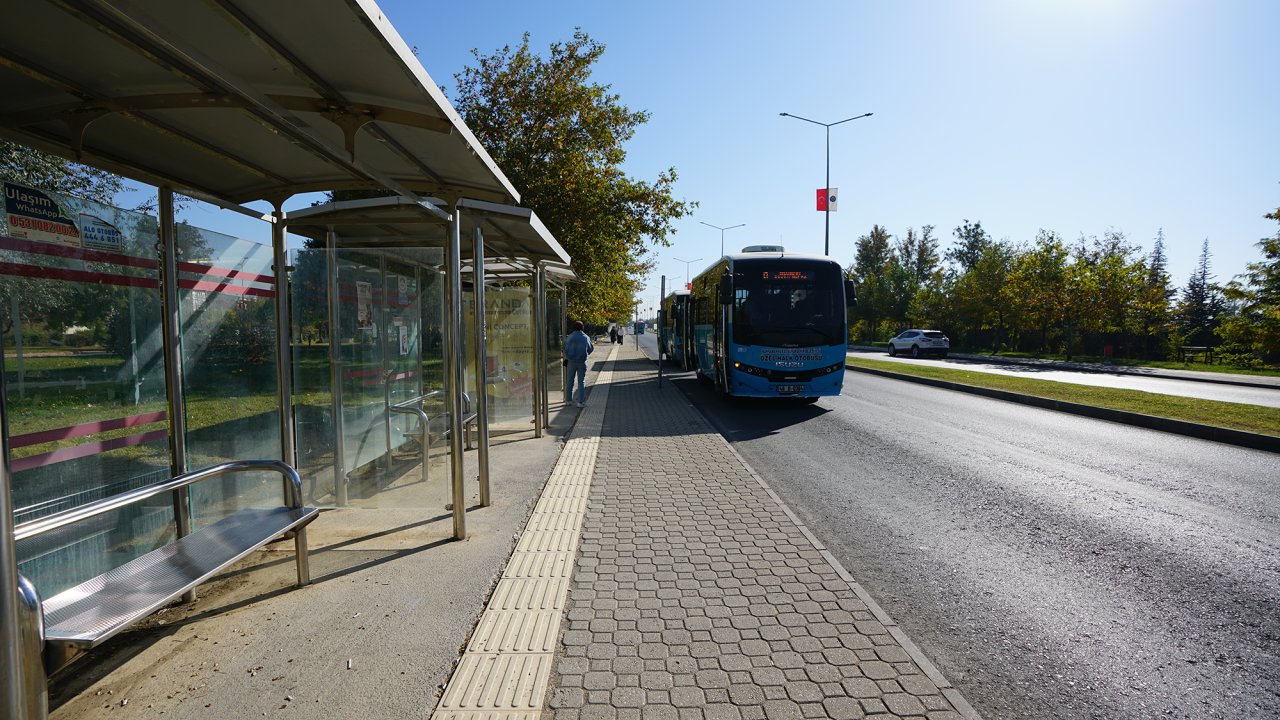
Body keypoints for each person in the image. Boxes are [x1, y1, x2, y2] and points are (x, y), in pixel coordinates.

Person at [563, 320, 594, 408]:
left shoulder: (569, 337)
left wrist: (569, 356)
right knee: (581, 382)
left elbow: (564, 348)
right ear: (582, 327)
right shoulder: (585, 337)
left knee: (569, 381)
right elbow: (590, 349)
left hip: (571, 362)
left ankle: (568, 400)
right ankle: (580, 402)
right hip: (582, 362)